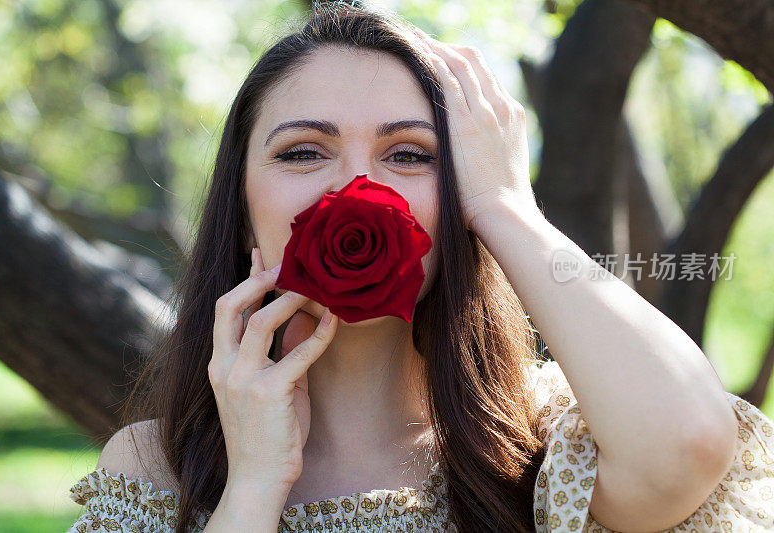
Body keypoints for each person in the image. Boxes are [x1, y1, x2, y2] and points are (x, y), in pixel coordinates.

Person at [67, 2, 774, 532]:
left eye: (409, 154)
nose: (355, 189)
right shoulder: (155, 473)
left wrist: (508, 208)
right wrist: (255, 481)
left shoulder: (548, 443)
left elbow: (687, 446)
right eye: (303, 151)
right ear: (243, 202)